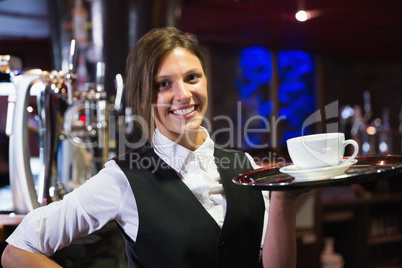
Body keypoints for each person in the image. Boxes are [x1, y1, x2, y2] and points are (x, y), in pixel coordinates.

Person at [1, 27, 301, 268]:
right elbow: (17, 251)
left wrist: (284, 202)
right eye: (163, 84)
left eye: (192, 78)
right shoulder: (122, 178)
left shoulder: (244, 164)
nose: (183, 94)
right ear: (143, 98)